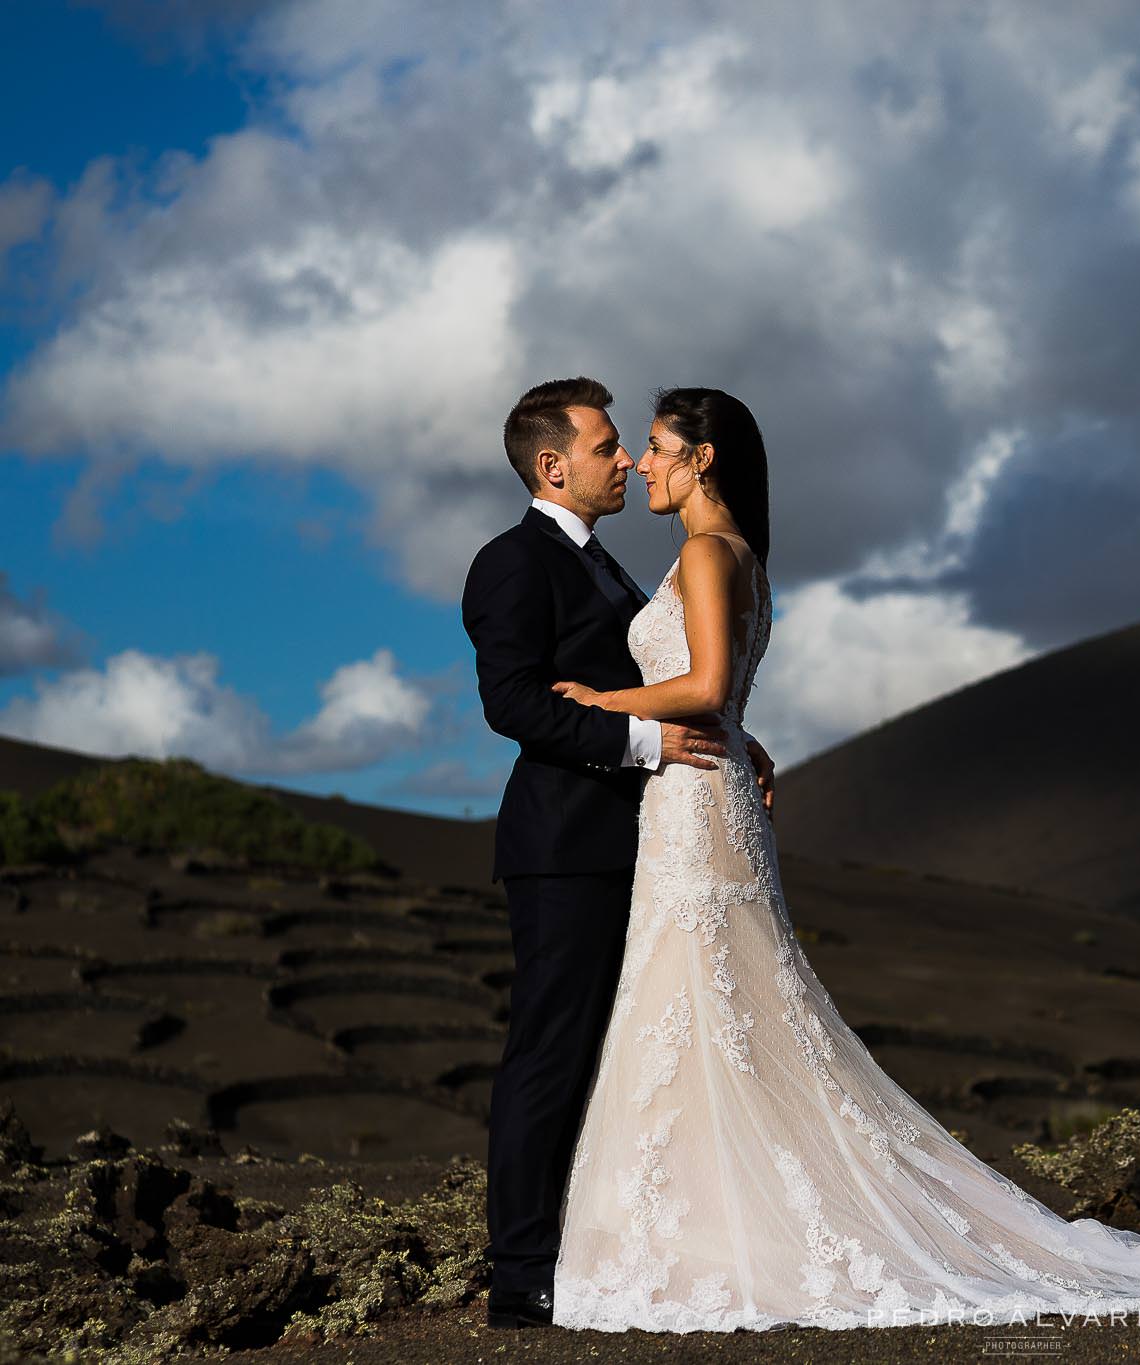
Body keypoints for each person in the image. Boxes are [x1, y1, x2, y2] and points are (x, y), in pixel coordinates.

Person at [542, 386, 1140, 1332]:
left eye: (652, 445)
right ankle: (713, 1226)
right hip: (703, 792)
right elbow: (727, 698)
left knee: (711, 1006)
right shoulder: (743, 557)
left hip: (696, 804)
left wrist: (596, 704)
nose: (641, 462)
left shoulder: (704, 550)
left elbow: (710, 683)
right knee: (722, 1013)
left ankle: (716, 1234)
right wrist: (740, 736)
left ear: (702, 457)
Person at [459, 377, 776, 1331]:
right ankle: (520, 1273)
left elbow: (673, 674)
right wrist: (641, 737)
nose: (627, 460)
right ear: (554, 464)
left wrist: (735, 735)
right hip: (564, 844)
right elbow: (513, 701)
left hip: (633, 840)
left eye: (631, 445)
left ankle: (602, 1247)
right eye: (607, 446)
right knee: (550, 1052)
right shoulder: (511, 562)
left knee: (614, 1051)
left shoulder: (614, 567)